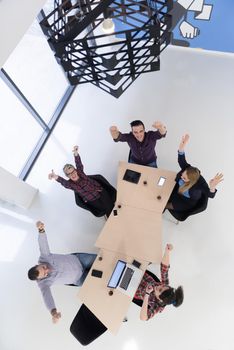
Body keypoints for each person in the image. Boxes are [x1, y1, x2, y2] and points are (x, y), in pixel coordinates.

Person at [27, 221, 97, 324]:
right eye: (45, 274)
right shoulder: (43, 284)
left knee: (102, 260)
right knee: (100, 280)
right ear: (40, 279)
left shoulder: (44, 257)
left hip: (80, 260)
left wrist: (41, 230)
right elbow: (47, 297)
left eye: (44, 267)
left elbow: (43, 244)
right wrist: (53, 312)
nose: (47, 270)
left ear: (36, 265)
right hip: (79, 278)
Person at [48, 146, 116, 217]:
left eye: (73, 171)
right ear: (67, 176)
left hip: (100, 192)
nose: (72, 174)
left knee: (112, 206)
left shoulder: (80, 172)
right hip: (93, 200)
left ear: (76, 170)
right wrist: (55, 176)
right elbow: (63, 182)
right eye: (69, 174)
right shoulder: (71, 184)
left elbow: (79, 164)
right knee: (108, 211)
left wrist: (75, 153)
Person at [166, 134, 224, 212]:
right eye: (182, 175)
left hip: (186, 201)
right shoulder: (187, 169)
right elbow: (181, 160)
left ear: (191, 180)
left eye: (184, 178)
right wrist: (181, 148)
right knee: (164, 195)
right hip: (179, 191)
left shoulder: (199, 184)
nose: (181, 178)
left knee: (166, 205)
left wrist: (212, 187)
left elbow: (211, 195)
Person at [133, 244, 183, 321]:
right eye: (163, 286)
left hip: (133, 288)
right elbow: (164, 268)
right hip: (139, 274)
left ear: (160, 299)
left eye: (159, 290)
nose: (159, 286)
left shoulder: (157, 306)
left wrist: (147, 294)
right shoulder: (165, 284)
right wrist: (167, 251)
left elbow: (143, 318)